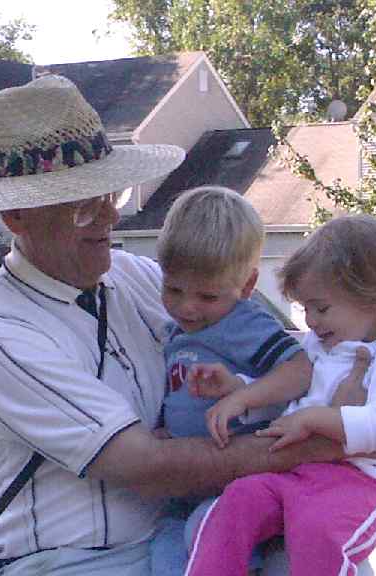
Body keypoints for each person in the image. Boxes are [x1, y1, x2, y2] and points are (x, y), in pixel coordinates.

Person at [0, 74, 376, 576]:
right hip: (73, 560)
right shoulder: (2, 334)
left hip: (179, 531)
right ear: (16, 216)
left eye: (111, 196)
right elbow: (148, 468)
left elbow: (286, 351)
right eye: (83, 206)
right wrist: (340, 437)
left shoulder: (139, 280)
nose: (108, 218)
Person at [184, 214, 376, 576]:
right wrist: (240, 392)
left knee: (315, 531)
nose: (310, 320)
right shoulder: (319, 343)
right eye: (305, 308)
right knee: (237, 500)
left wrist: (314, 420)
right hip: (295, 472)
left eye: (321, 308)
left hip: (357, 482)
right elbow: (292, 393)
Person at [151, 186, 307, 576]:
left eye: (207, 297)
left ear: (247, 286)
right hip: (189, 488)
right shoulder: (177, 330)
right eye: (173, 289)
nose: (187, 306)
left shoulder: (244, 323)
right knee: (165, 553)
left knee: (208, 537)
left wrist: (243, 395)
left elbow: (301, 369)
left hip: (241, 484)